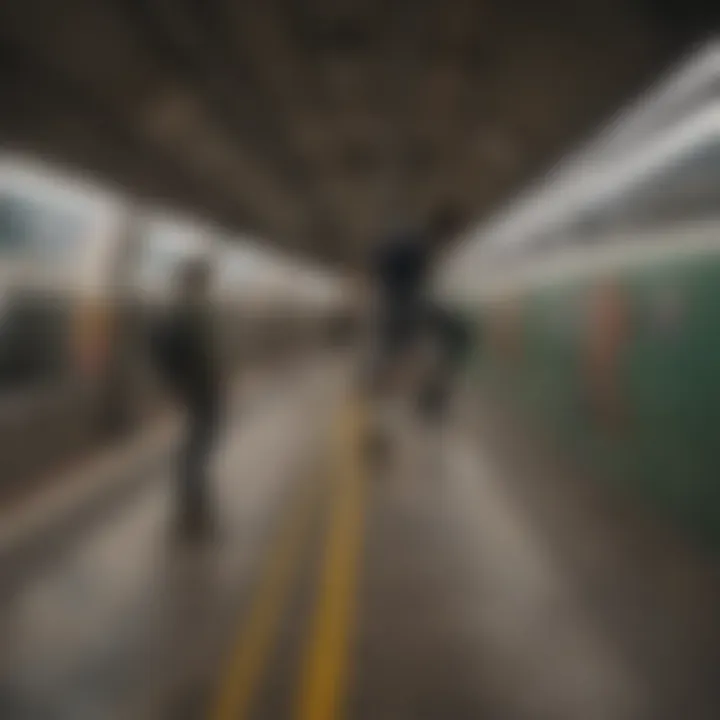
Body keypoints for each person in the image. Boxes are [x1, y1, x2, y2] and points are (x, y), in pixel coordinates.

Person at [151, 257, 223, 538]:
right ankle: (191, 502)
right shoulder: (187, 311)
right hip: (200, 386)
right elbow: (197, 352)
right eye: (204, 279)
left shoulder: (186, 309)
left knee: (199, 439)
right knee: (200, 440)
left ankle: (192, 496)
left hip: (198, 385)